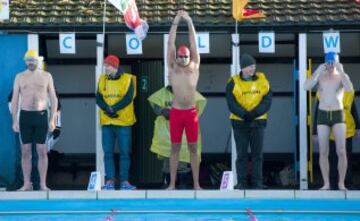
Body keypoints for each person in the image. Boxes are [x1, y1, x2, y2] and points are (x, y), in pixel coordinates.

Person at [304, 52, 353, 190]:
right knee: (323, 151)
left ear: (337, 63)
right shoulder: (320, 76)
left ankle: (341, 183)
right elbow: (306, 87)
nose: (331, 67)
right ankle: (326, 183)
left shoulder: (342, 76)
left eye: (333, 63)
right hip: (323, 114)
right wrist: (317, 71)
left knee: (341, 151)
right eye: (329, 64)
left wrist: (341, 71)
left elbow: (349, 88)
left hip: (338, 114)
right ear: (325, 63)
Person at [11, 50, 58, 191]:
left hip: (41, 116)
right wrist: (15, 120)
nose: (30, 63)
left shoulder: (46, 76)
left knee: (42, 151)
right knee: (25, 151)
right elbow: (14, 100)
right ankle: (26, 184)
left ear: (38, 61)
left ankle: (43, 184)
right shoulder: (20, 77)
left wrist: (52, 119)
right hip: (25, 116)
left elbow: (54, 98)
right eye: (28, 60)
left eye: (33, 60)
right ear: (25, 61)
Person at [225, 53, 272, 189]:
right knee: (242, 154)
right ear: (243, 68)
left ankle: (257, 182)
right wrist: (244, 114)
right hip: (240, 122)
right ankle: (242, 182)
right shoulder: (233, 82)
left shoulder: (262, 80)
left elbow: (267, 100)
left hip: (258, 122)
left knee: (257, 154)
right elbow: (231, 102)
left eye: (254, 66)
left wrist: (254, 113)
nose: (253, 69)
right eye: (250, 66)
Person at [167, 10, 201, 190]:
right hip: (176, 113)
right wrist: (175, 21)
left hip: (191, 113)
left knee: (194, 148)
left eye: (185, 56)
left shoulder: (194, 66)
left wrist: (189, 22)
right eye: (180, 56)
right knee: (175, 148)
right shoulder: (172, 67)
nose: (182, 59)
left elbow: (194, 43)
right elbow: (170, 43)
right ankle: (172, 184)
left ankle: (196, 184)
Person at [148, 85, 207, 189]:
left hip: (184, 131)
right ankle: (169, 183)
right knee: (167, 158)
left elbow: (198, 106)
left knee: (184, 157)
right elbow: (155, 106)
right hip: (165, 133)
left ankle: (183, 182)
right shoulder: (162, 93)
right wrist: (162, 111)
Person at [96, 54, 137, 190]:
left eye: (107, 65)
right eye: (105, 65)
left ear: (115, 66)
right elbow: (98, 98)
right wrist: (107, 109)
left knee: (124, 153)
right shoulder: (102, 79)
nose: (105, 68)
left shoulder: (128, 79)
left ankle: (124, 181)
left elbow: (128, 98)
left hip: (123, 122)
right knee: (108, 153)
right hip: (107, 122)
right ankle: (110, 181)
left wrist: (113, 108)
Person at [7, 89, 61, 190]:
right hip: (22, 125)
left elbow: (56, 105)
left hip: (40, 124)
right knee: (21, 154)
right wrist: (17, 118)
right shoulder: (22, 80)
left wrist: (56, 126)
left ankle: (38, 183)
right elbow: (10, 100)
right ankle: (20, 182)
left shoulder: (47, 82)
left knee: (39, 155)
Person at [313, 91, 360, 190]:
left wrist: (358, 127)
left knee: (345, 158)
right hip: (330, 132)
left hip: (347, 131)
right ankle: (331, 184)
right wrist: (315, 132)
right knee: (332, 160)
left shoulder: (348, 91)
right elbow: (318, 113)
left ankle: (346, 184)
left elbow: (353, 110)